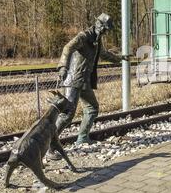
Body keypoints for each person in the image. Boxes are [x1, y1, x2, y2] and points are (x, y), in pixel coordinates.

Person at [48, 13, 125, 159]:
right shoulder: (83, 36)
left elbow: (103, 54)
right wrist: (63, 66)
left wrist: (120, 59)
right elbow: (67, 48)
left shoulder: (97, 40)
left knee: (92, 108)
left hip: (85, 81)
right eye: (104, 28)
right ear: (98, 24)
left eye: (106, 30)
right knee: (67, 115)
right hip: (73, 79)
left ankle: (82, 138)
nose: (105, 32)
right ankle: (50, 147)